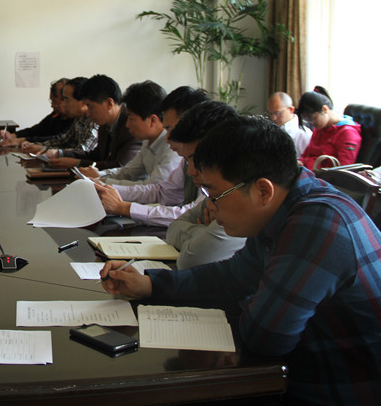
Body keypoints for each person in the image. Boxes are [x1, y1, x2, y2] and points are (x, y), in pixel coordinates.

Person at [99, 116, 381, 404]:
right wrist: (150, 284)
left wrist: (251, 300)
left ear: (262, 190)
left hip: (336, 390)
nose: (210, 207)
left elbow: (266, 336)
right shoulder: (284, 207)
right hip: (298, 371)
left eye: (215, 194)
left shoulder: (315, 225)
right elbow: (234, 276)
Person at [95, 99, 238, 228]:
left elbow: (190, 216)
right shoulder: (186, 157)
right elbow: (163, 192)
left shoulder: (225, 174)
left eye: (171, 129)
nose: (167, 138)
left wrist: (124, 208)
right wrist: (105, 189)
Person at [77, 79, 178, 181]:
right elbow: (127, 172)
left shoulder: (172, 147)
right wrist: (100, 175)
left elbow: (152, 187)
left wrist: (102, 180)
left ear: (152, 120)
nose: (127, 125)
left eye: (131, 119)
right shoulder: (147, 142)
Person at [44, 75, 141, 170]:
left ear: (109, 103)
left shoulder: (131, 125)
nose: (88, 113)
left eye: (90, 107)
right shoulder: (105, 123)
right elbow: (96, 155)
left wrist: (77, 163)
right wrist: (59, 153)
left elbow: (120, 166)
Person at [21, 77, 98, 156]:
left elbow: (83, 152)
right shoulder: (78, 118)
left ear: (83, 102)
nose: (64, 105)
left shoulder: (95, 120)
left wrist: (53, 152)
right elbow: (64, 141)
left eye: (67, 100)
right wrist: (38, 146)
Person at [297, 86, 362, 169]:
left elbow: (344, 169)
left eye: (312, 119)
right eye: (307, 120)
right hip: (308, 171)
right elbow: (307, 154)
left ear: (325, 109)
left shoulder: (348, 133)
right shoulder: (320, 128)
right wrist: (299, 162)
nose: (311, 123)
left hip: (323, 175)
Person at [0, 78, 73, 146]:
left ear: (66, 100)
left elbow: (59, 139)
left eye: (54, 102)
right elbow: (36, 130)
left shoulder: (75, 119)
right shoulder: (56, 115)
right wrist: (13, 136)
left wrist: (21, 141)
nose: (52, 106)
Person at [266, 91, 311, 157]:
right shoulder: (270, 128)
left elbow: (309, 160)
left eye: (278, 113)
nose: (273, 118)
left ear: (291, 110)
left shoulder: (302, 133)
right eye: (270, 113)